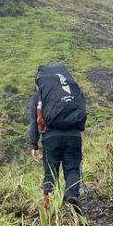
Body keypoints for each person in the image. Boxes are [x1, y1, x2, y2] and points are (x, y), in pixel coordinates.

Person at [28, 63, 87, 210]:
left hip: (51, 136)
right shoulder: (71, 91)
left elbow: (34, 122)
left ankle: (50, 207)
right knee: (72, 169)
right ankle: (72, 197)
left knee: (50, 172)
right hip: (73, 135)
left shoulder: (39, 97)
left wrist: (34, 145)